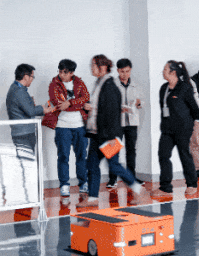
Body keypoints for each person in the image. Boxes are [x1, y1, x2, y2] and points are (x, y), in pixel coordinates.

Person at [77, 55, 146, 207]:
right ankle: (93, 198)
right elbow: (100, 109)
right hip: (97, 134)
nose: (91, 68)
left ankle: (138, 190)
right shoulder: (99, 84)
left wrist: (110, 137)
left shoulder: (109, 86)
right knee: (92, 165)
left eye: (93, 65)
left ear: (102, 68)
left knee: (114, 165)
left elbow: (111, 114)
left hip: (108, 135)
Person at [42, 59, 90, 197]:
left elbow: (86, 97)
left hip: (80, 126)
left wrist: (69, 103)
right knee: (63, 156)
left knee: (81, 156)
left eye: (64, 72)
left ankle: (83, 183)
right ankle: (64, 185)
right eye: (60, 71)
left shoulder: (79, 83)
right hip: (62, 126)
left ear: (71, 73)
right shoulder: (54, 84)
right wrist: (78, 104)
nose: (61, 74)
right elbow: (58, 103)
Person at [154, 60, 199, 196]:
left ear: (173, 72)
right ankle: (165, 187)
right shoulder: (163, 88)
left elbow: (194, 109)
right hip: (167, 129)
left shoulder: (184, 88)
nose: (163, 72)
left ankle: (192, 184)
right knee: (163, 155)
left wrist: (190, 126)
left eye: (165, 69)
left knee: (184, 155)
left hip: (183, 129)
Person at [106, 58, 143, 189]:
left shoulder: (136, 85)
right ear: (117, 71)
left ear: (130, 70)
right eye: (122, 71)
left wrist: (139, 103)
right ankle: (112, 179)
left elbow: (141, 102)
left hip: (132, 122)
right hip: (117, 123)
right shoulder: (112, 85)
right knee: (113, 150)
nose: (125, 74)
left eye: (127, 71)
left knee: (131, 151)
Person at [6, 64, 55, 151]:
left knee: (26, 158)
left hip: (21, 133)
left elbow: (27, 109)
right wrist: (43, 109)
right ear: (26, 77)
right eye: (32, 77)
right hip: (24, 134)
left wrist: (32, 104)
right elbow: (31, 111)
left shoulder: (15, 88)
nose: (32, 79)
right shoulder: (19, 91)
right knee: (26, 158)